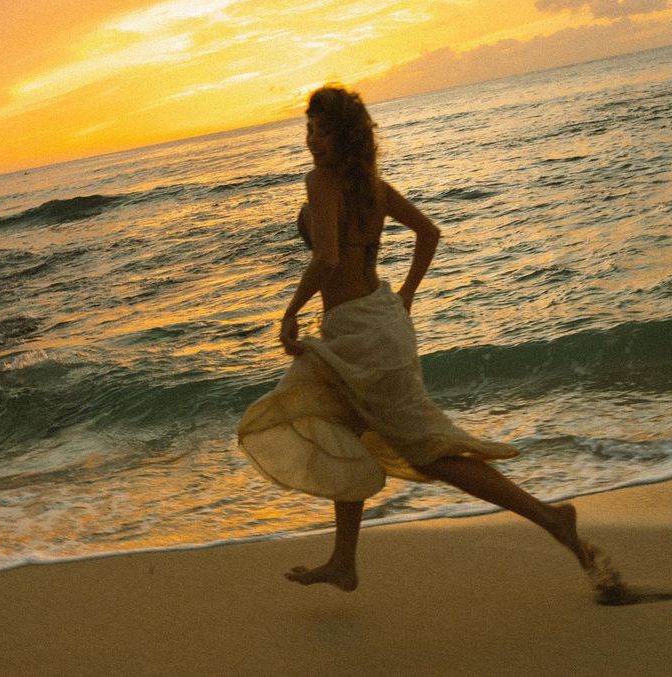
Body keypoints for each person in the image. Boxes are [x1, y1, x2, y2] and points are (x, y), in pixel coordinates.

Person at [238, 84, 592, 592]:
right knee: (339, 424)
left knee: (432, 453)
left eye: (321, 130)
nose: (311, 140)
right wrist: (403, 296)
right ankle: (343, 562)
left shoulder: (322, 182)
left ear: (343, 136)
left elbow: (329, 259)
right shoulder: (373, 187)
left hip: (360, 335)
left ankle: (552, 518)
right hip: (374, 326)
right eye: (308, 129)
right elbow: (428, 233)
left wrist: (290, 312)